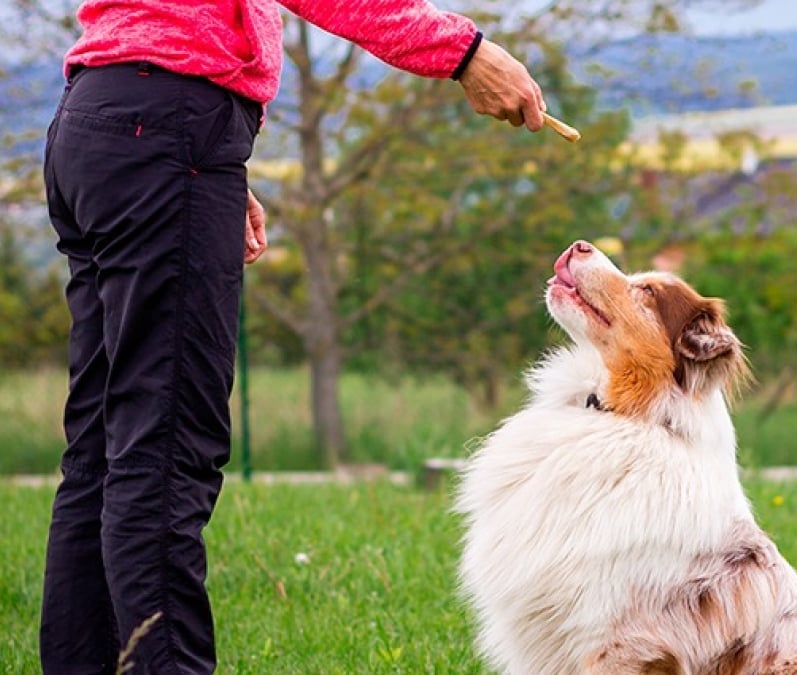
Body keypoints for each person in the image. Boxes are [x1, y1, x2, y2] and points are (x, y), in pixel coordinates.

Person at [39, 1, 544, 673]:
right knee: (161, 456)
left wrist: (213, 170)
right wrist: (465, 52)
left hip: (97, 123)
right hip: (162, 132)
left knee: (102, 452)